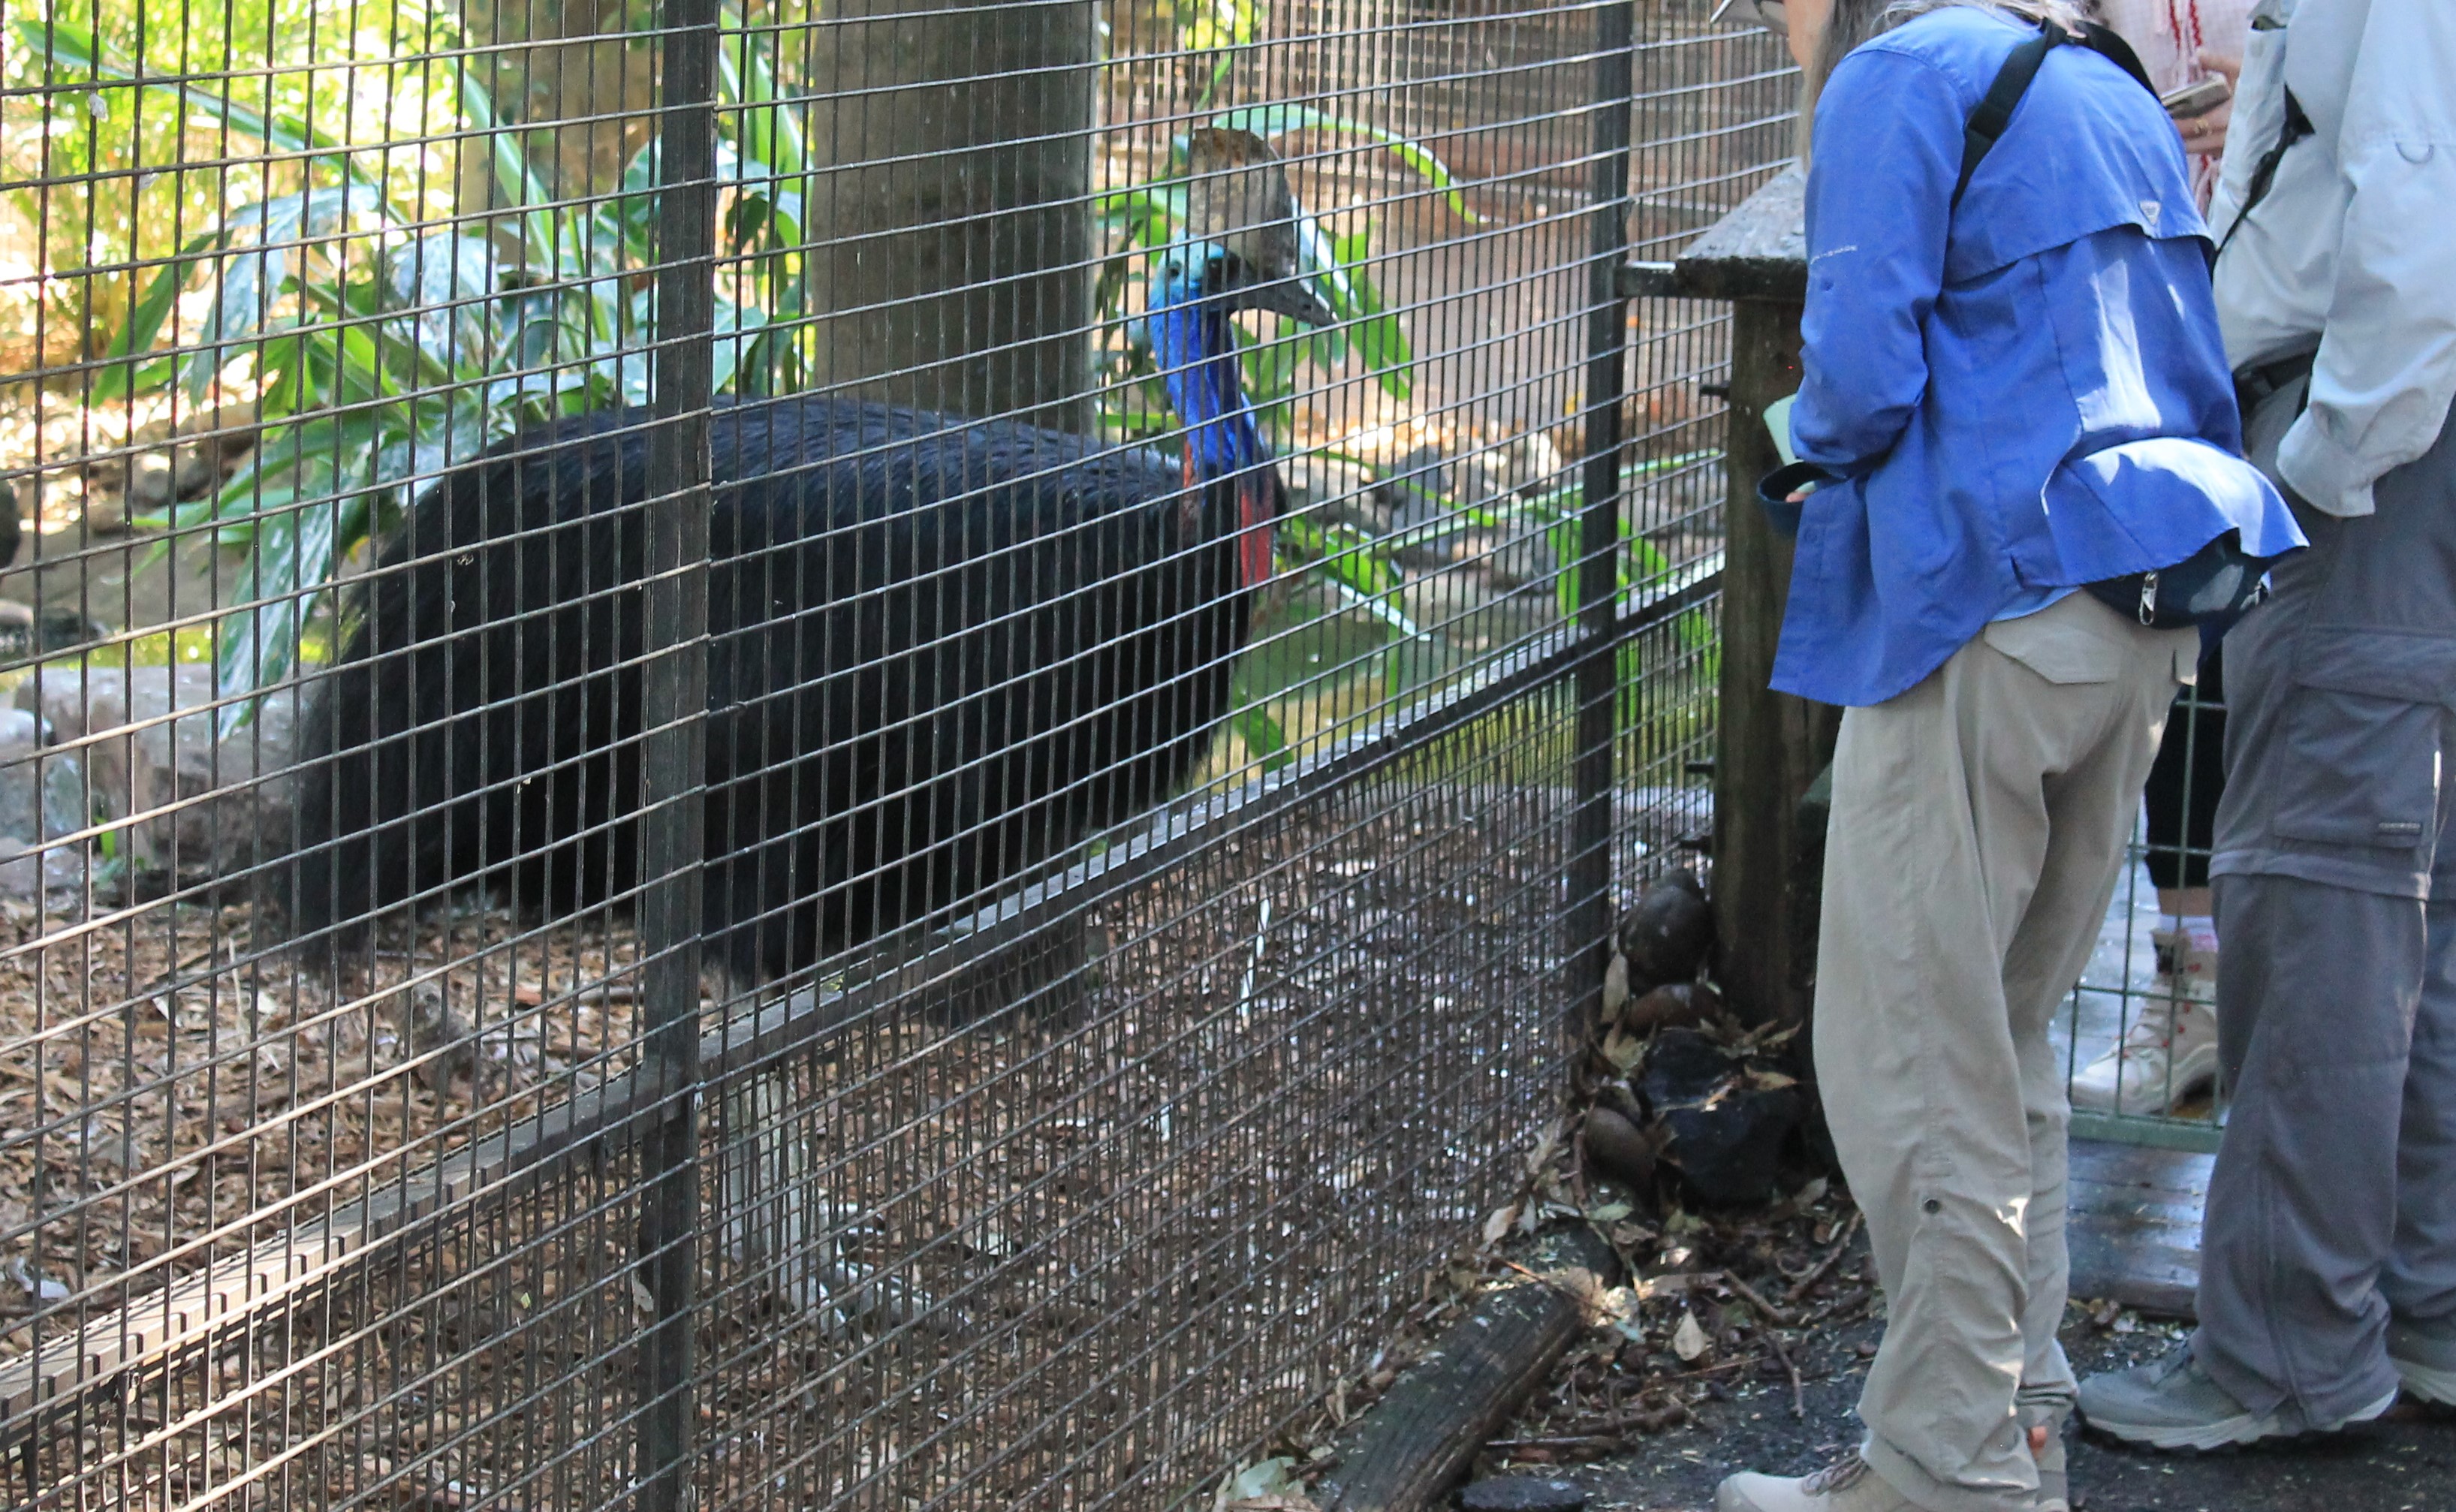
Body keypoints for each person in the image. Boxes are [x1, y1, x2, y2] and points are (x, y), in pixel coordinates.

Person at [1712, 2, 2303, 1510]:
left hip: (1991, 601)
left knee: (1910, 1060)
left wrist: (1793, 442)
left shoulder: (1890, 78)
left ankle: (1954, 1474)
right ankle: (2012, 1407)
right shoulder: (2095, 84)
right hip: (2138, 612)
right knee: (2000, 1042)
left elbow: (1855, 379)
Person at [2076, 0, 2456, 1450]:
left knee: (2323, 894)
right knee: (2430, 892)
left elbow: (2416, 214)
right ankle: (2426, 1297)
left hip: (2385, 453)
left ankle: (2291, 1347)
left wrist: (2319, 462)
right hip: (2416, 431)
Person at [2069, 0, 2254, 1116]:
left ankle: (2291, 1007)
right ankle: (2191, 988)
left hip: (2306, 316)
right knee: (2184, 643)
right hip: (2145, 311)